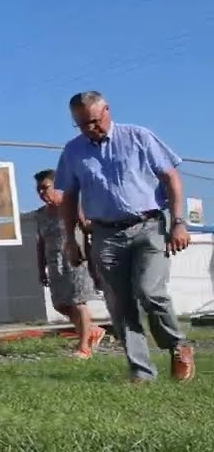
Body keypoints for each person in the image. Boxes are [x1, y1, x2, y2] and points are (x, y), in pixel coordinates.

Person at [55, 91, 195, 383]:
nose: (90, 128)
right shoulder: (73, 151)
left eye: (94, 121)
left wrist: (179, 222)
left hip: (148, 227)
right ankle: (141, 371)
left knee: (149, 291)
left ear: (107, 110)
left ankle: (177, 346)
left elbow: (171, 178)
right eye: (82, 125)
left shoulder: (138, 137)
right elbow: (69, 197)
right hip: (105, 234)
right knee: (119, 303)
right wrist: (71, 238)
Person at [32, 168, 104, 359]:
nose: (41, 193)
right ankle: (92, 330)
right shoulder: (40, 214)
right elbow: (40, 242)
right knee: (61, 304)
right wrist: (41, 268)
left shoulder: (71, 206)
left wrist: (95, 261)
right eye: (38, 190)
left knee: (78, 302)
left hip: (75, 259)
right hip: (55, 263)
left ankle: (84, 347)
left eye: (45, 188)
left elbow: (87, 229)